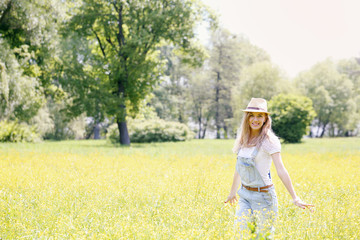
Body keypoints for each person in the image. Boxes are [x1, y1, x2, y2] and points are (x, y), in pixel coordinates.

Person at [224, 98, 314, 238]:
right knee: (240, 234)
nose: (255, 119)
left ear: (266, 118)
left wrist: (295, 197)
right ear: (247, 118)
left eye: (260, 116)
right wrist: (232, 193)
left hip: (264, 197)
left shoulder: (269, 141)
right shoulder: (243, 139)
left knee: (263, 237)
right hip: (245, 196)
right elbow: (239, 169)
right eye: (252, 115)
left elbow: (281, 170)